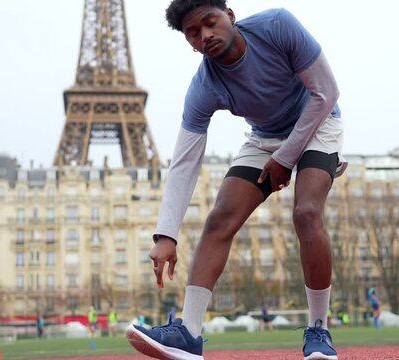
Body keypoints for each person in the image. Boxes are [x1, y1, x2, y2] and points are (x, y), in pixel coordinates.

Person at [125, 1, 344, 359]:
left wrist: (285, 158)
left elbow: (326, 93)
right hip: (266, 136)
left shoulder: (278, 25)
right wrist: (166, 235)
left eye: (210, 23)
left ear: (230, 15)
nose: (205, 35)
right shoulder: (203, 86)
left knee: (306, 212)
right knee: (220, 217)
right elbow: (184, 163)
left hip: (318, 120)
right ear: (189, 42)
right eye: (193, 33)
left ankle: (319, 331)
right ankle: (189, 334)